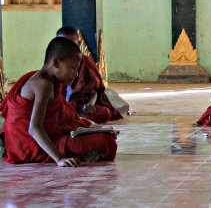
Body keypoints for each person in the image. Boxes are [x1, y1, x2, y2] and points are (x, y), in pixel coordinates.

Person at [0, 37, 117, 166]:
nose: (76, 74)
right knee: (107, 141)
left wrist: (96, 128)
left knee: (102, 133)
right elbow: (34, 128)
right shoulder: (43, 85)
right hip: (30, 146)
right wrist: (59, 158)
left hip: (42, 139)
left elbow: (65, 116)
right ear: (55, 63)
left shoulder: (47, 80)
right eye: (73, 68)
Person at [56, 26, 123, 124]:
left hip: (81, 107)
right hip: (61, 105)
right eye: (64, 45)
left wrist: (90, 104)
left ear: (78, 44)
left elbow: (95, 89)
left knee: (105, 113)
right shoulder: (55, 62)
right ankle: (71, 116)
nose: (68, 49)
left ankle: (75, 116)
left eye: (72, 45)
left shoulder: (86, 61)